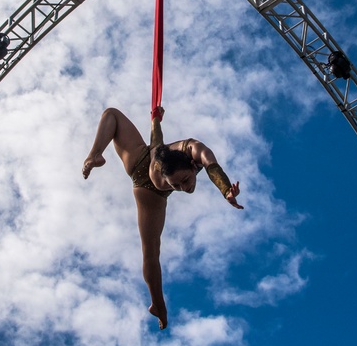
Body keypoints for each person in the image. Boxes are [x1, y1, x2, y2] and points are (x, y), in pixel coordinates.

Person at [81, 107, 243, 330]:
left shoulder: (194, 148)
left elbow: (211, 165)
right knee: (111, 113)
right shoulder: (159, 163)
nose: (184, 188)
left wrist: (226, 190)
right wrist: (155, 121)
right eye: (175, 185)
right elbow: (156, 142)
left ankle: (157, 305)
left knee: (151, 254)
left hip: (155, 162)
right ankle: (94, 155)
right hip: (145, 177)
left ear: (190, 165)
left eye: (184, 181)